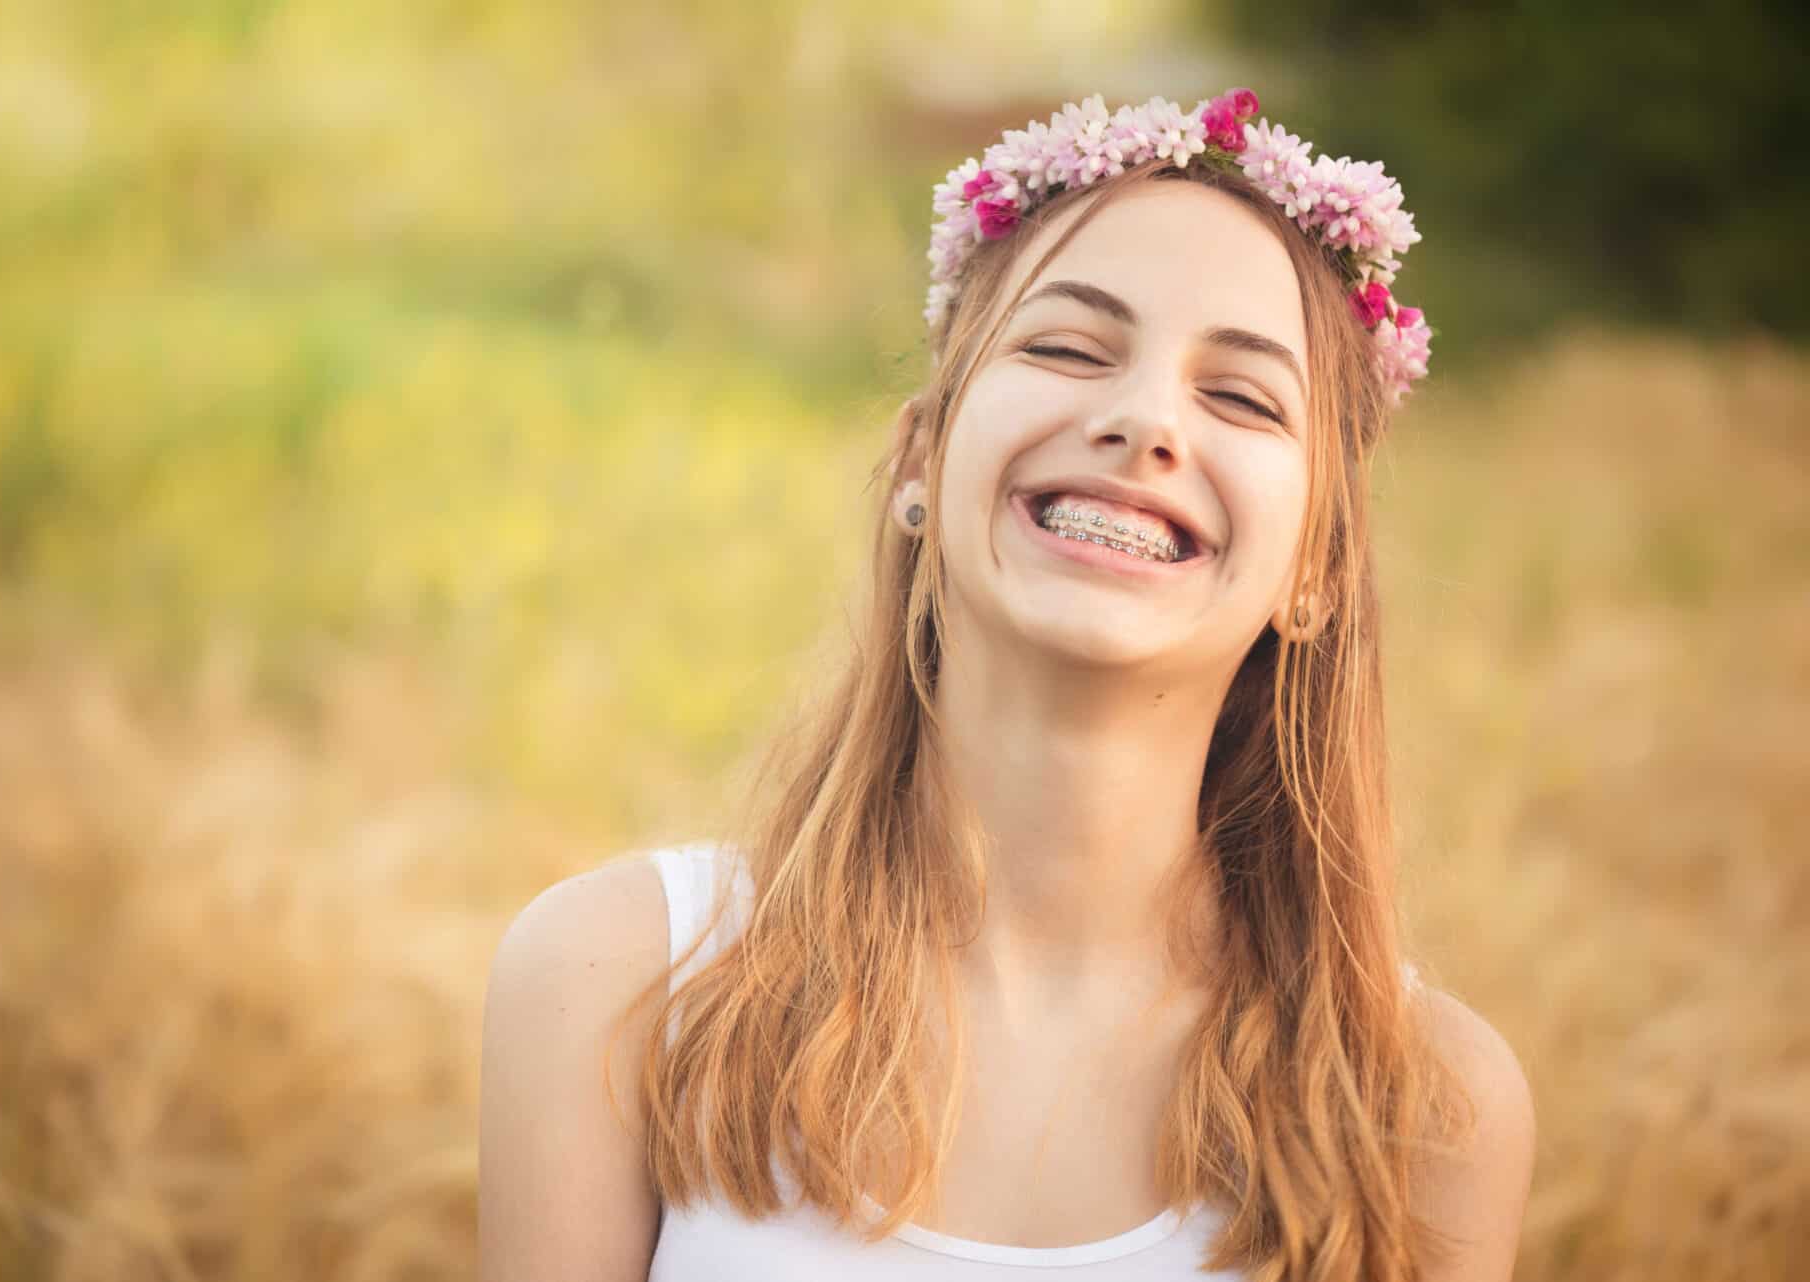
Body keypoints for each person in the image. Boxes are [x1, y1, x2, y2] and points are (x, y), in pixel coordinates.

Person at [479, 89, 1534, 1281]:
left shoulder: (1425, 1111)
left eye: (1239, 396)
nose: (1143, 421)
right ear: (922, 457)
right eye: (1068, 348)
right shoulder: (617, 982)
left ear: (1319, 565)